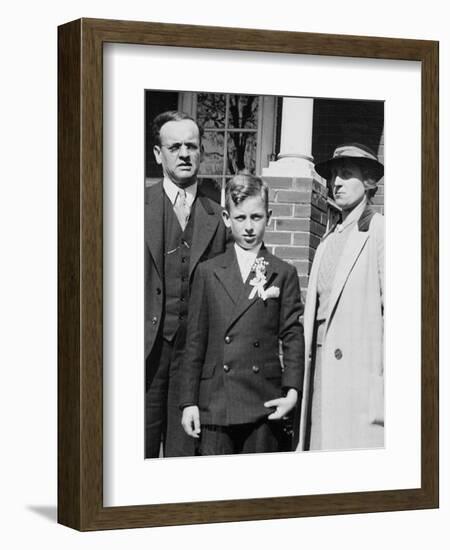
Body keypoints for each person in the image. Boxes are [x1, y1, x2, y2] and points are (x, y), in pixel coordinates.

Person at [179, 174, 304, 455]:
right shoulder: (208, 271)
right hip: (216, 402)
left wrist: (292, 392)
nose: (249, 227)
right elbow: (195, 342)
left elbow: (293, 336)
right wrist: (189, 402)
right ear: (226, 217)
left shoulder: (282, 272)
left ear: (268, 217)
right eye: (240, 217)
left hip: (264, 401)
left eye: (256, 217)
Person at [145, 110, 227, 458]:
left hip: (193, 363)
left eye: (191, 146)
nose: (184, 153)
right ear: (157, 154)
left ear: (201, 153)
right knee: (132, 455)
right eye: (174, 145)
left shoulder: (218, 217)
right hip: (143, 358)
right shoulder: (128, 208)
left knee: (184, 460)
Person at [297, 143, 385, 452]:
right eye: (334, 175)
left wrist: (383, 383)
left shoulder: (379, 231)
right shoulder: (327, 240)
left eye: (346, 175)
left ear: (369, 181)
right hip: (321, 370)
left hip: (358, 380)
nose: (336, 183)